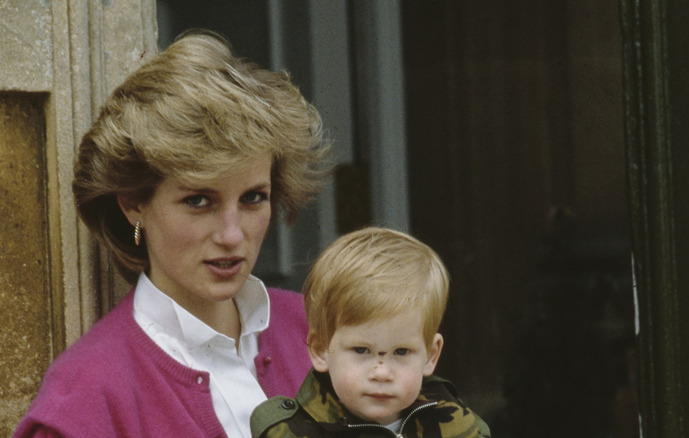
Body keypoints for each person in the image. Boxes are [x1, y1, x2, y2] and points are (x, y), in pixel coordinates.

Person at [14, 29, 329, 438]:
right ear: (133, 203)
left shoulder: (321, 329)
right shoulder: (88, 396)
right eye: (199, 200)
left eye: (253, 197)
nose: (232, 235)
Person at [250, 227, 491, 437]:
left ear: (430, 355)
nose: (382, 373)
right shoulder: (288, 433)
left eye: (402, 352)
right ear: (321, 348)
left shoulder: (459, 427)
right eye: (362, 350)